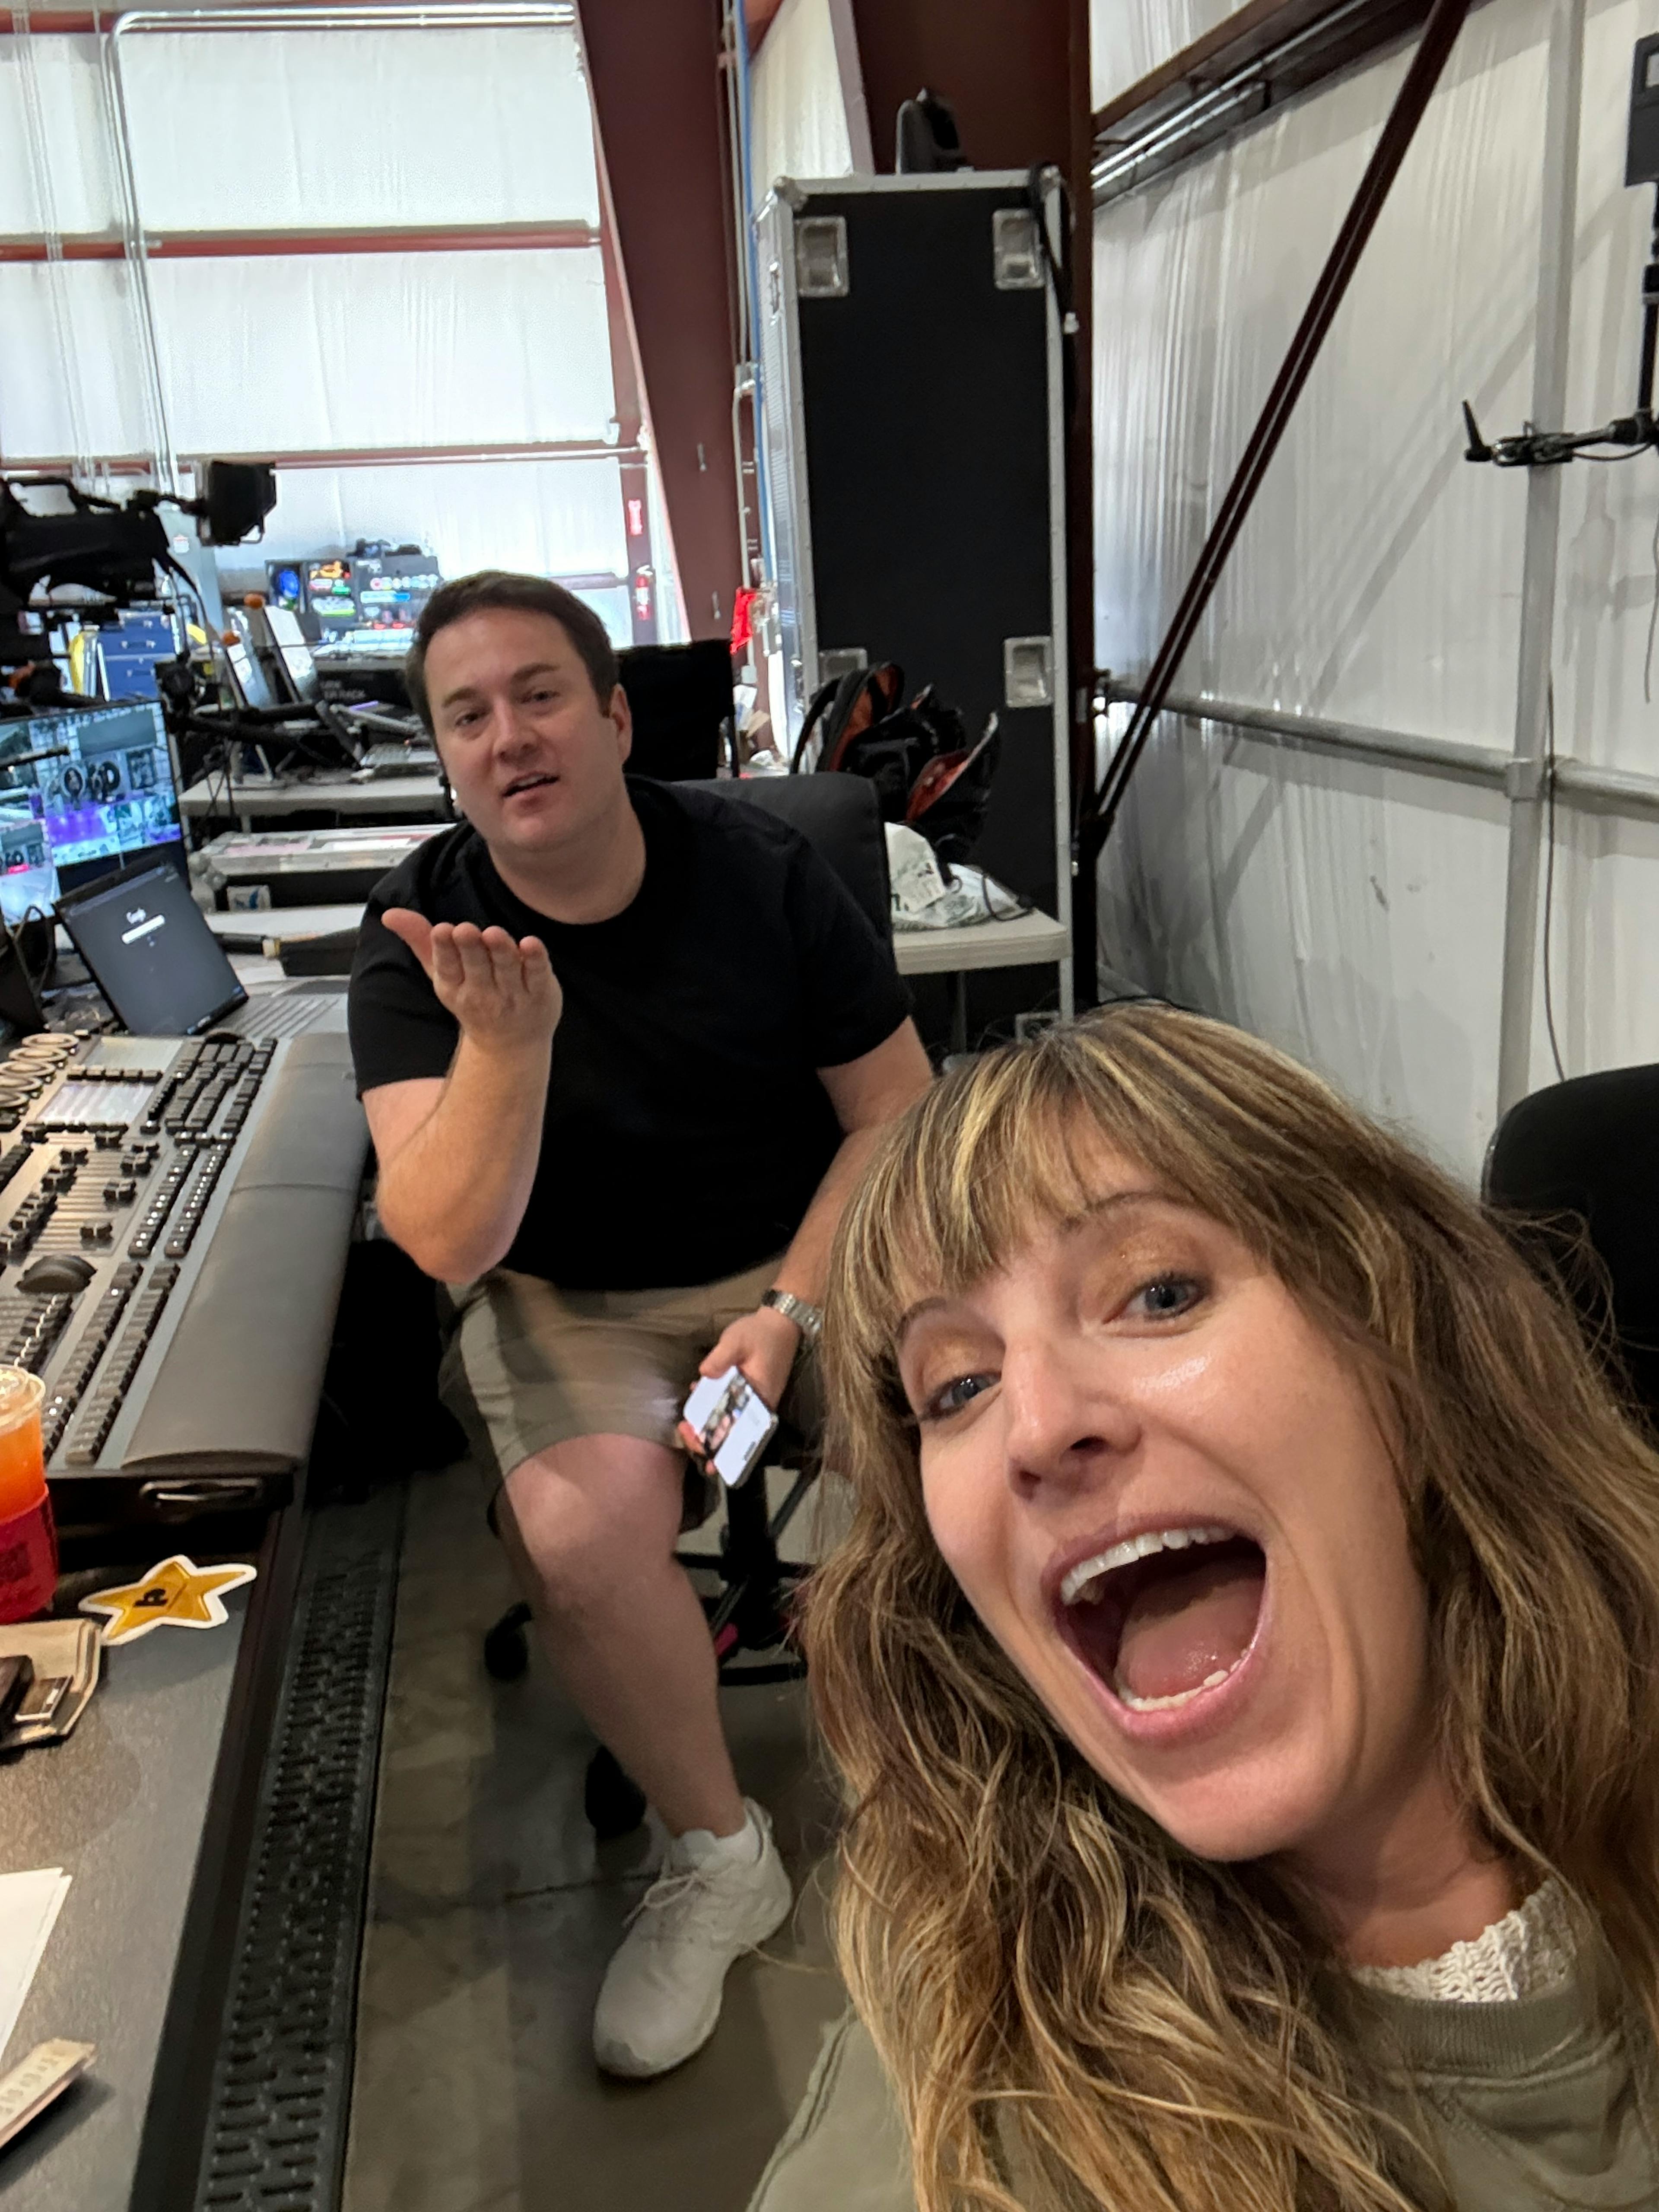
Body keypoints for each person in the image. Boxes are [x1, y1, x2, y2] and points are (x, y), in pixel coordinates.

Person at [751, 1003, 1659, 2212]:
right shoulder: (971, 2138)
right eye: (958, 1385)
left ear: (1406, 1341)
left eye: (1158, 1292)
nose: (1036, 1427)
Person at [346, 569, 931, 2080]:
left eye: (540, 695)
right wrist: (509, 1049)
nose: (509, 736)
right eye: (467, 716)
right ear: (445, 756)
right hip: (570, 1294)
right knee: (580, 1530)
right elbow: (448, 1238)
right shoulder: (421, 935)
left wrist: (792, 1311)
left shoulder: (757, 871)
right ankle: (723, 1859)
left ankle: (986, 1792)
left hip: (796, 1262)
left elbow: (897, 1115)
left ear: (614, 720)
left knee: (970, 1436)